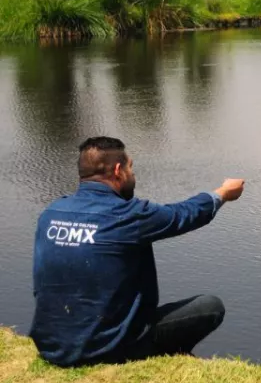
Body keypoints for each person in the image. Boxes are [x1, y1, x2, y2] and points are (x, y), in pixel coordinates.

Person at [29, 136, 245, 367]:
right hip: (106, 351)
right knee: (210, 307)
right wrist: (223, 192)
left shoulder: (50, 214)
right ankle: (164, 355)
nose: (133, 175)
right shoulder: (128, 215)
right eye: (131, 168)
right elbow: (185, 214)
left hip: (51, 347)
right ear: (118, 171)